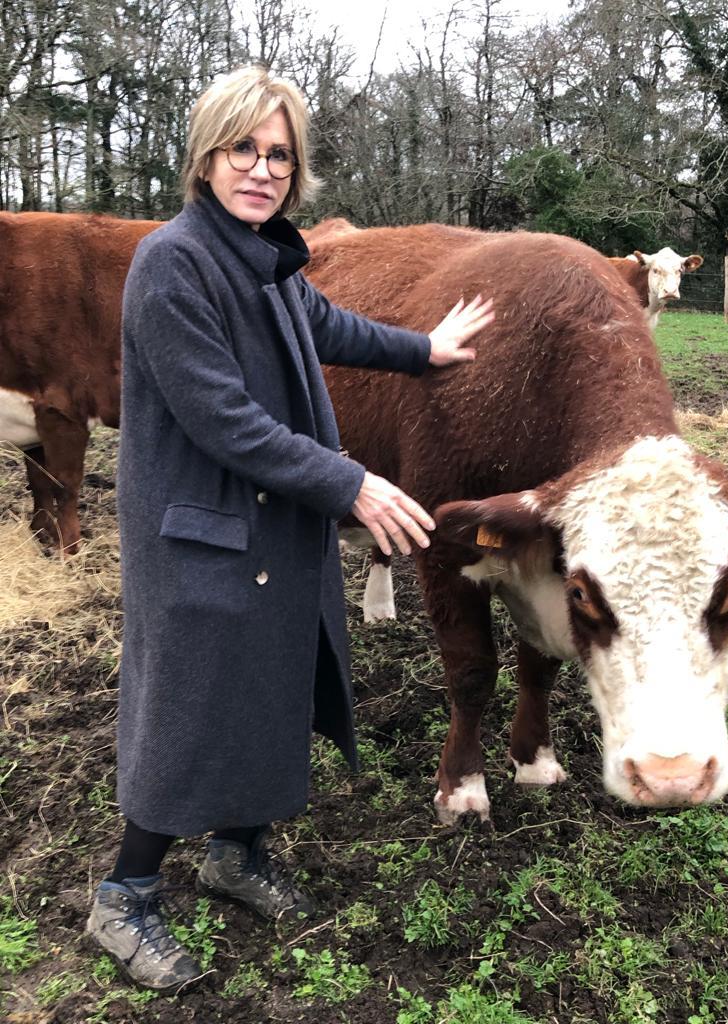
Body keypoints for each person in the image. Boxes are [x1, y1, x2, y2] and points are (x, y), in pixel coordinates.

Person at [85, 65, 494, 993]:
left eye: (280, 154)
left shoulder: (264, 254)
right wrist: (353, 484)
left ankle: (235, 853)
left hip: (270, 528)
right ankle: (126, 894)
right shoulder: (174, 263)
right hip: (200, 534)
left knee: (271, 689)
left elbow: (328, 326)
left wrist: (423, 348)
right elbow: (224, 418)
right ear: (206, 155)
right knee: (189, 712)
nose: (262, 170)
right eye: (244, 150)